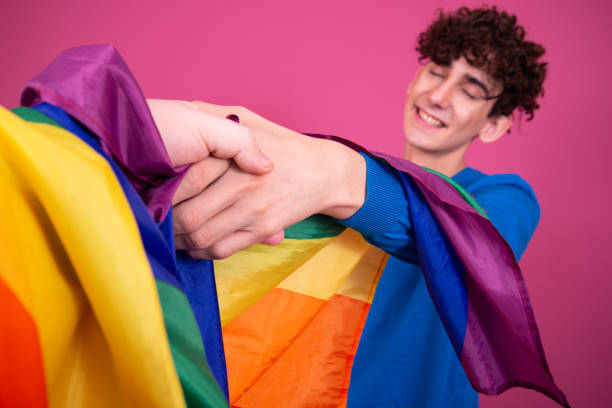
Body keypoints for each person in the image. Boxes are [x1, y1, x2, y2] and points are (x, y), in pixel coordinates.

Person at [170, 6, 557, 407]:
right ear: (414, 80)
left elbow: (473, 244)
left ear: (493, 125)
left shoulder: (506, 197)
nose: (438, 96)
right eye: (437, 71)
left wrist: (336, 174)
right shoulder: (324, 189)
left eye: (469, 90)